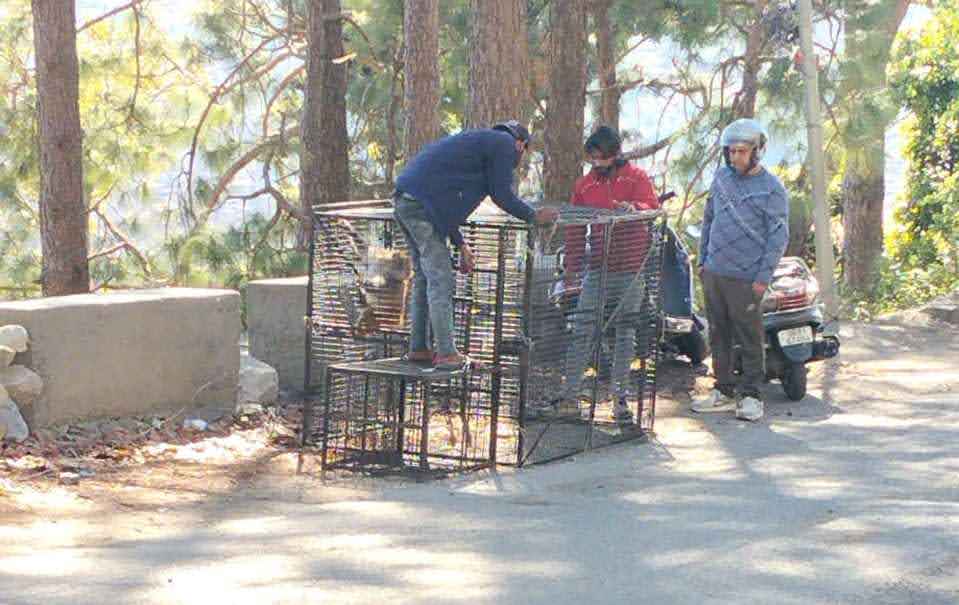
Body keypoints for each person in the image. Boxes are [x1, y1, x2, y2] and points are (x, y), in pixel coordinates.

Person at [393, 120, 559, 370]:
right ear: (521, 144)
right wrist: (533, 216)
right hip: (420, 205)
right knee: (440, 278)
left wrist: (461, 244)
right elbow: (501, 194)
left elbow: (443, 207)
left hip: (407, 200)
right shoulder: (504, 144)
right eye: (523, 153)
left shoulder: (475, 149)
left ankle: (419, 347)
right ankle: (447, 353)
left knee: (425, 277)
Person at [535, 125, 660, 422]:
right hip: (597, 268)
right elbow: (576, 228)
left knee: (625, 331)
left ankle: (620, 400)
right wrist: (572, 271)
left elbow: (652, 206)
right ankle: (570, 397)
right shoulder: (586, 184)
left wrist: (634, 208)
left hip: (631, 268)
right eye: (592, 158)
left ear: (615, 154)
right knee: (582, 328)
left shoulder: (637, 177)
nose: (597, 163)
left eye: (601, 157)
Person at [692, 118, 789, 421]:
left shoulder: (772, 189)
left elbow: (778, 237)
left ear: (757, 152)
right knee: (718, 334)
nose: (735, 157)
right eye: (731, 151)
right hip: (715, 272)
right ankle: (723, 389)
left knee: (749, 337)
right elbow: (709, 218)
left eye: (742, 152)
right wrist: (702, 261)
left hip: (746, 277)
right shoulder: (722, 178)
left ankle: (751, 395)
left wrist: (762, 278)